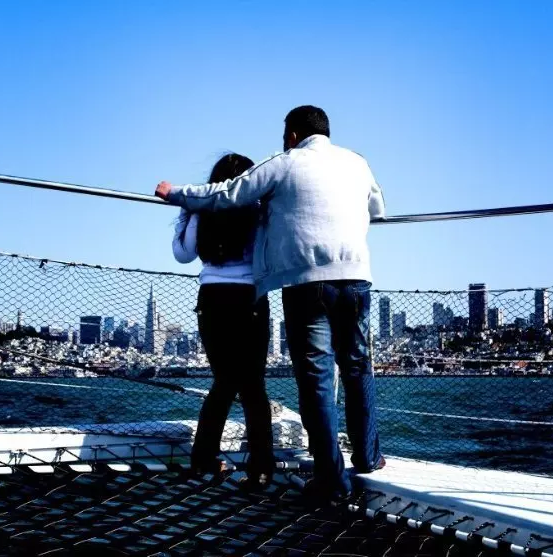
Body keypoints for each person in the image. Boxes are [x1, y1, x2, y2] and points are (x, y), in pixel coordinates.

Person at [156, 106, 386, 499]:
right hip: (340, 280)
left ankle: (329, 478)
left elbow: (219, 206)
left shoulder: (282, 164)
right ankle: (362, 457)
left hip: (283, 286)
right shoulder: (357, 163)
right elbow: (378, 211)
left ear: (293, 136)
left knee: (308, 379)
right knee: (353, 367)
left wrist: (179, 196)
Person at [172, 153, 275, 489]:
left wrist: (187, 211)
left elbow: (183, 254)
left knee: (224, 382)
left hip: (212, 298)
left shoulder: (201, 208)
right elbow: (267, 255)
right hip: (249, 297)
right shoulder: (258, 210)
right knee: (253, 386)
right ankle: (261, 469)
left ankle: (203, 459)